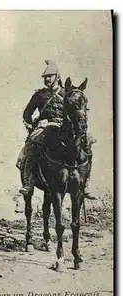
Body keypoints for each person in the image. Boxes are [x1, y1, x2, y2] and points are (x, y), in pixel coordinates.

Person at [18, 60, 95, 199]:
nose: (47, 79)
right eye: (45, 77)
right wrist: (33, 126)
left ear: (57, 77)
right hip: (47, 126)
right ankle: (28, 182)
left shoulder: (67, 92)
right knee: (32, 146)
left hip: (67, 127)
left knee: (87, 143)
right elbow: (27, 114)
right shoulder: (40, 95)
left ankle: (85, 183)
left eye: (50, 76)